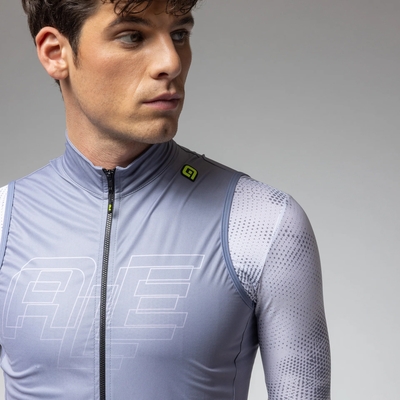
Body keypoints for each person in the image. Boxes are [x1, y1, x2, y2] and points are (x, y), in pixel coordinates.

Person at [0, 0, 331, 398]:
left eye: (179, 34)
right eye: (132, 36)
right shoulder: (3, 221)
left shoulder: (263, 221)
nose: (171, 62)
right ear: (56, 53)